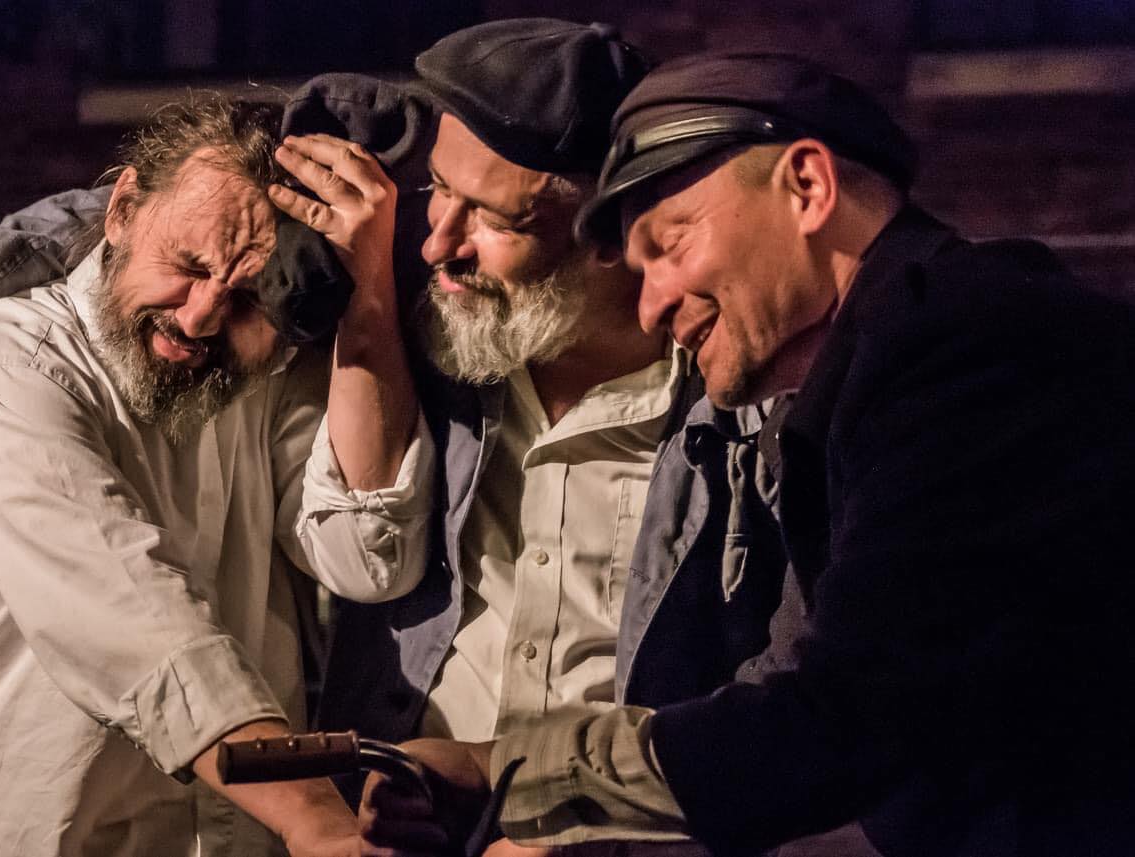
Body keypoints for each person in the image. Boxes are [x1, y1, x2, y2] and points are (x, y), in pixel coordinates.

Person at [357, 53, 1135, 857]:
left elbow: (848, 719)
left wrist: (511, 777)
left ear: (807, 186)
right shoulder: (857, 383)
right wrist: (505, 774)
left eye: (670, 243)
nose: (653, 308)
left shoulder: (967, 347)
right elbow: (802, 685)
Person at [0, 95, 430, 857]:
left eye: (246, 293)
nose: (199, 317)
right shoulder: (2, 369)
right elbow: (134, 623)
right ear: (121, 211)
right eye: (187, 266)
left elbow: (369, 556)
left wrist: (369, 295)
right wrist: (315, 817)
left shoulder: (259, 366)